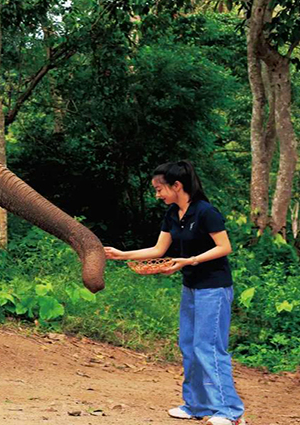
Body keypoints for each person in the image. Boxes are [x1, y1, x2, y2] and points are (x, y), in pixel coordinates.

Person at [104, 161, 246, 425]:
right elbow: (159, 250)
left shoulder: (205, 212)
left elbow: (224, 247)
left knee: (209, 348)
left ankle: (230, 411)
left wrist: (188, 260)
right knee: (189, 346)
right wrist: (122, 255)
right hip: (191, 288)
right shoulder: (173, 213)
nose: (157, 195)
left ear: (177, 185)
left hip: (213, 288)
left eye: (160, 189)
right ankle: (197, 405)